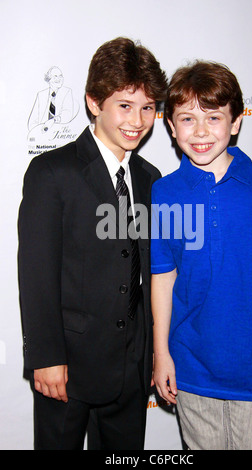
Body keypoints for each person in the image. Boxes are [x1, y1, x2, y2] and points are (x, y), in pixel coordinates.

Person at [18, 37, 167, 450]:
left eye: (148, 107)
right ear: (93, 102)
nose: (137, 120)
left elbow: (149, 272)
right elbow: (36, 275)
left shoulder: (150, 178)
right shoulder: (52, 172)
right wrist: (46, 357)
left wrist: (155, 351)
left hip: (132, 366)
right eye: (124, 105)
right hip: (67, 367)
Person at [151, 61, 252, 450]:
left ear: (235, 122)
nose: (200, 131)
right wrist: (161, 352)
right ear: (171, 126)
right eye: (187, 118)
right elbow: (163, 277)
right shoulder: (165, 193)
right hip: (191, 360)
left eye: (213, 117)